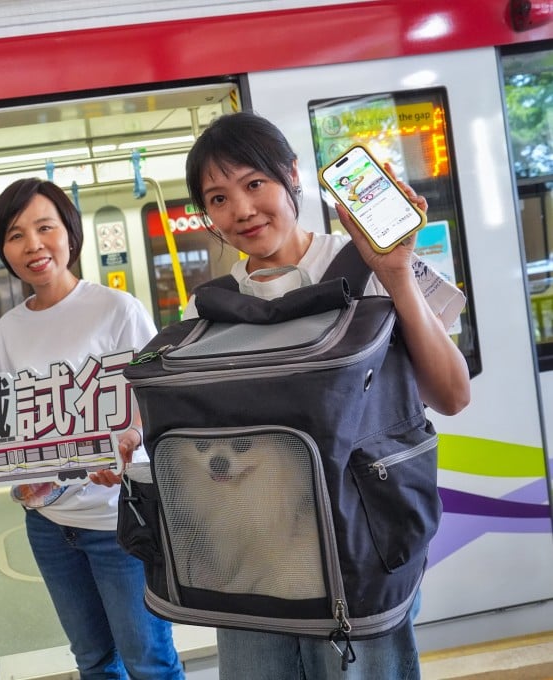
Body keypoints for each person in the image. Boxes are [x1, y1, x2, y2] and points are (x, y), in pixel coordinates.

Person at [182, 111, 471, 680]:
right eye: (218, 198)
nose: (240, 210)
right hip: (251, 563)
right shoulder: (208, 307)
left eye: (254, 183)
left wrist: (396, 274)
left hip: (359, 549)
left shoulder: (370, 264)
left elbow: (452, 394)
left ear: (291, 174)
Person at [0, 178, 184, 680]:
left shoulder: (117, 309)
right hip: (49, 525)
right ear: (3, 250)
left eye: (44, 227)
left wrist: (127, 446)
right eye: (15, 234)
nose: (33, 245)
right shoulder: (8, 328)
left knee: (149, 662)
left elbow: (153, 403)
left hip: (119, 522)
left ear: (69, 234)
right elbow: (16, 423)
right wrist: (20, 475)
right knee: (92, 662)